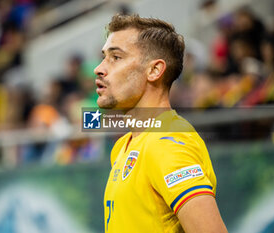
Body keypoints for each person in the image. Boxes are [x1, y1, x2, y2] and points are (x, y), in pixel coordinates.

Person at [93, 14, 228, 233]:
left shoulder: (168, 142)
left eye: (116, 57)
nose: (99, 68)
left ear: (155, 70)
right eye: (104, 57)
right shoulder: (124, 145)